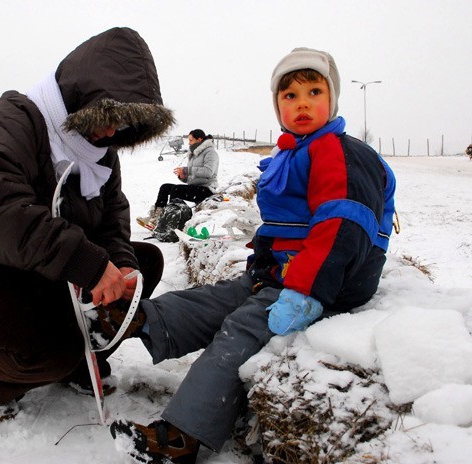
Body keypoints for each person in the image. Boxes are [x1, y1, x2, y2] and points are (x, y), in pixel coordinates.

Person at [108, 47, 397, 464]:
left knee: (241, 329)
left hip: (328, 282)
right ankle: (136, 321)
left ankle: (183, 436)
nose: (301, 104)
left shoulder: (340, 152)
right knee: (216, 299)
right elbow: (289, 224)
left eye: (314, 91)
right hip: (285, 272)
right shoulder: (296, 151)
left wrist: (306, 292)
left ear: (332, 98)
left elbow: (342, 229)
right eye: (289, 96)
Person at [0, 27, 174, 419]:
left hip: (40, 275)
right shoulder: (12, 121)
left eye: (122, 123)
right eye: (106, 116)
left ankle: (80, 353)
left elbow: (112, 218)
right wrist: (89, 265)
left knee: (145, 264)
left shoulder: (100, 153)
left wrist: (120, 262)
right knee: (52, 345)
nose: (110, 132)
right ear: (79, 98)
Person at [137, 129, 219, 230]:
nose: (188, 143)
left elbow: (208, 172)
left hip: (206, 189)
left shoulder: (210, 153)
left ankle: (170, 222)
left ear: (199, 139)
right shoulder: (194, 153)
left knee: (176, 189)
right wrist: (183, 177)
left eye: (191, 140)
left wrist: (186, 170)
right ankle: (156, 217)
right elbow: (193, 175)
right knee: (165, 187)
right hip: (195, 187)